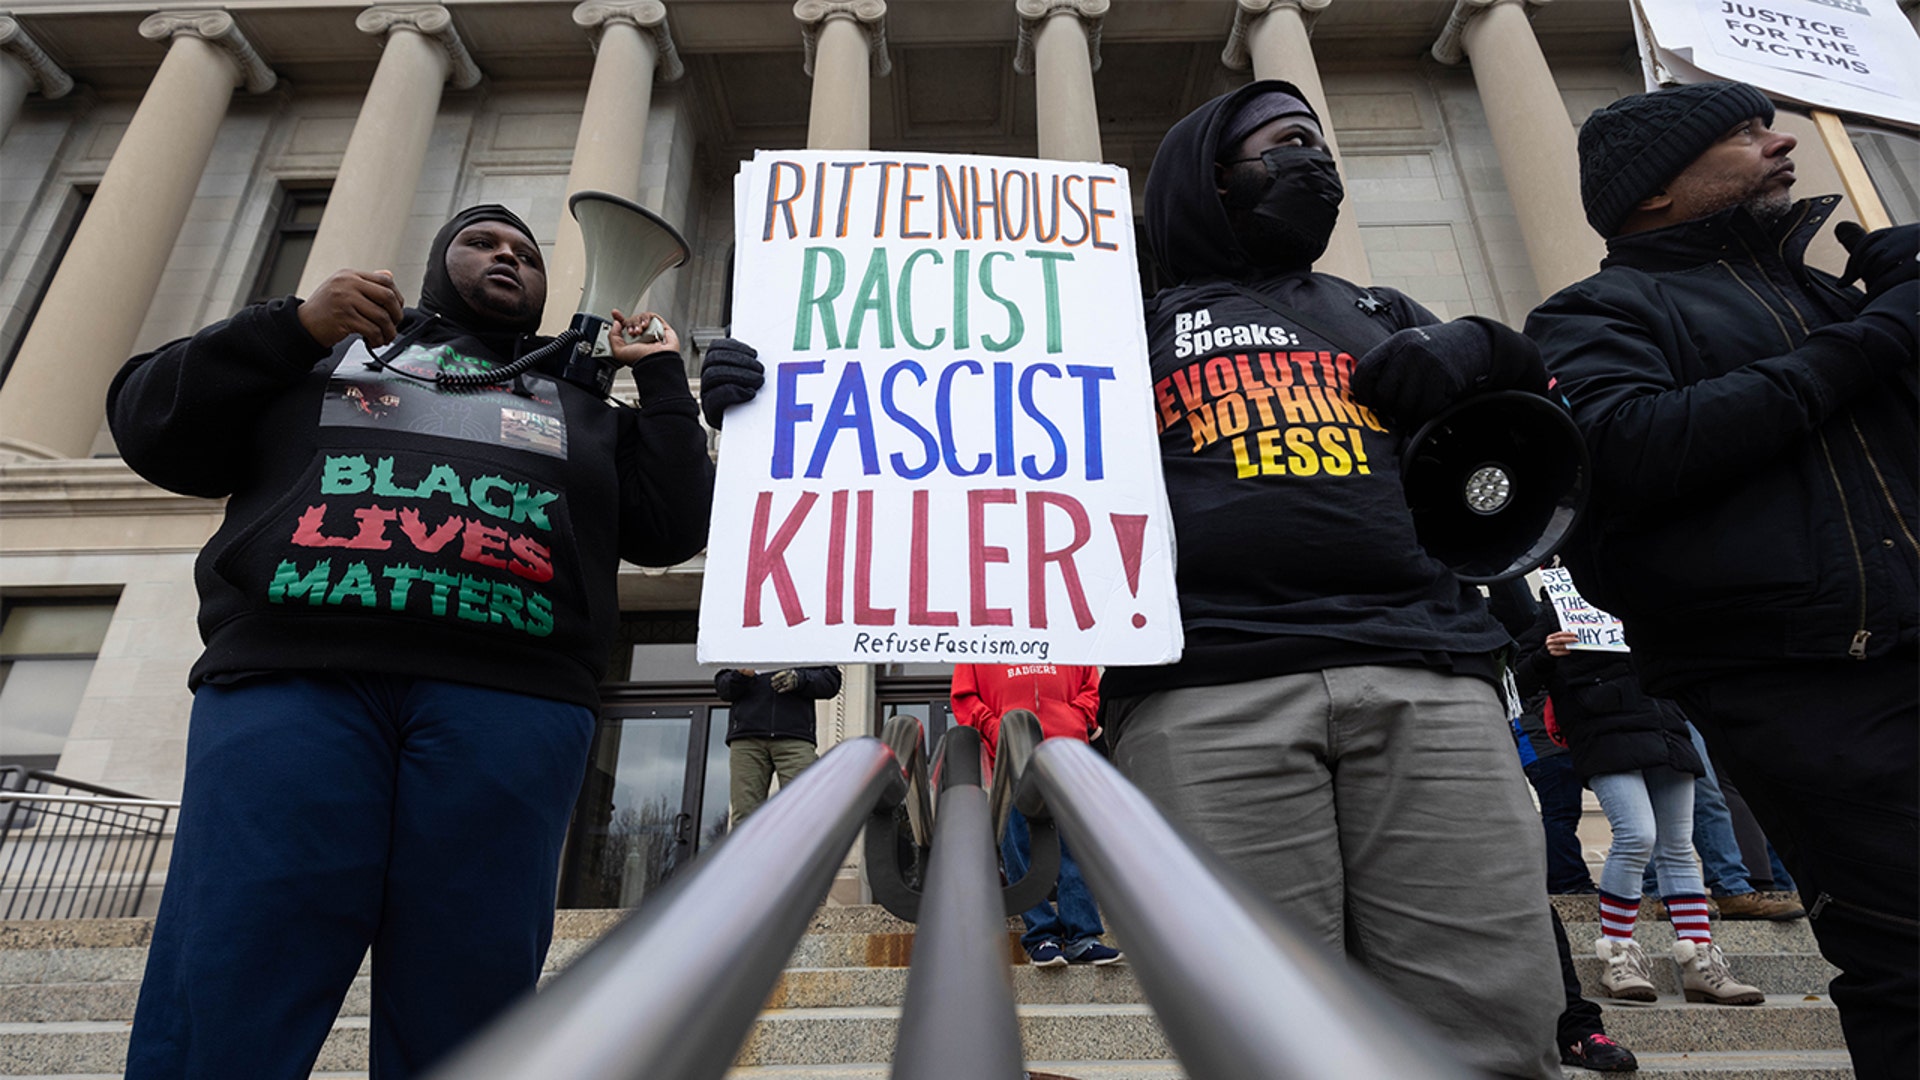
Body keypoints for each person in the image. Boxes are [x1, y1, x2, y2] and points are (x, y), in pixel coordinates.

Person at [107, 204, 737, 1079]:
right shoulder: (327, 348)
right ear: (439, 261)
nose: (508, 257)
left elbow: (671, 527)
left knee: (473, 996)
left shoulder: (580, 400)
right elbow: (149, 424)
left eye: (526, 252)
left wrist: (664, 383)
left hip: (511, 703)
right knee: (232, 964)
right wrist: (290, 329)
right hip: (295, 681)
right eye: (483, 241)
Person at [1101, 80, 1564, 1078]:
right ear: (1209, 178)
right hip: (1209, 690)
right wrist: (770, 393)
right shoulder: (1118, 329)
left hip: (1427, 675)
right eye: (1280, 144)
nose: (1312, 160)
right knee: (1268, 1042)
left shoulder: (1384, 313)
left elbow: (1536, 439)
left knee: (1491, 1024)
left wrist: (1487, 348)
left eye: (1318, 142)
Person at [1525, 81, 1916, 1079]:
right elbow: (1632, 451)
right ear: (1652, 190)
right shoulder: (1597, 315)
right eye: (1745, 135)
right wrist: (1877, 337)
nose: (1783, 142)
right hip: (1806, 684)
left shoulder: (1833, 293)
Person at [1513, 604, 1764, 1005]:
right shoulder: (1554, 612)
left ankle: (1700, 960)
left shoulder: (1639, 599)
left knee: (1678, 847)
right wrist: (1546, 654)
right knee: (1637, 835)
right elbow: (1517, 678)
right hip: (1604, 732)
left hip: (1664, 725)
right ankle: (1618, 956)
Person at [950, 663, 1121, 967]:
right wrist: (995, 728)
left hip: (1066, 749)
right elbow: (964, 696)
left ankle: (1083, 936)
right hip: (1012, 752)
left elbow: (1090, 685)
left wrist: (1077, 718)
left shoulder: (1064, 632)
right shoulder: (979, 638)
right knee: (1019, 844)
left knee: (1075, 846)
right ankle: (1042, 934)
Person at [716, 665, 843, 823]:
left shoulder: (809, 641)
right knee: (744, 816)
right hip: (749, 738)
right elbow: (723, 687)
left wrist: (799, 679)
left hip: (794, 737)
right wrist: (740, 677)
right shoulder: (741, 641)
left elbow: (831, 681)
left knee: (802, 811)